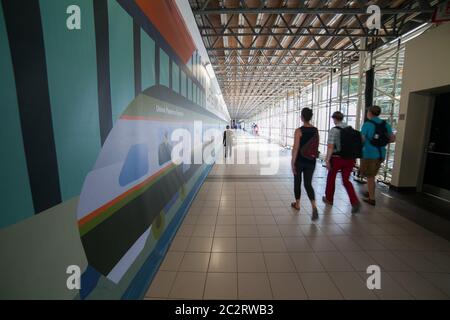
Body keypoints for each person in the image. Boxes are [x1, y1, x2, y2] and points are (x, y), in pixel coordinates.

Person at [323, 111, 361, 213]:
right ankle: (354, 201)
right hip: (350, 159)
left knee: (331, 177)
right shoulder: (350, 129)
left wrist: (327, 160)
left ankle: (329, 199)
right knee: (346, 180)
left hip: (337, 158)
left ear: (334, 119)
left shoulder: (334, 130)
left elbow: (330, 147)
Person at [360, 105, 396, 206]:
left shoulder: (367, 124)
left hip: (369, 154)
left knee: (370, 176)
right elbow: (393, 138)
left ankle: (372, 198)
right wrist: (381, 143)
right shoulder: (386, 124)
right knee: (372, 174)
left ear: (370, 113)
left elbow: (362, 139)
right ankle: (369, 191)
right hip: (381, 153)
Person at [291, 108, 319, 220]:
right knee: (308, 184)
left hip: (300, 161)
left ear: (302, 117)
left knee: (297, 182)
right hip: (311, 161)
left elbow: (296, 147)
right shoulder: (315, 130)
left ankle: (297, 204)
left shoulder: (299, 131)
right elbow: (316, 146)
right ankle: (314, 206)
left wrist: (292, 162)